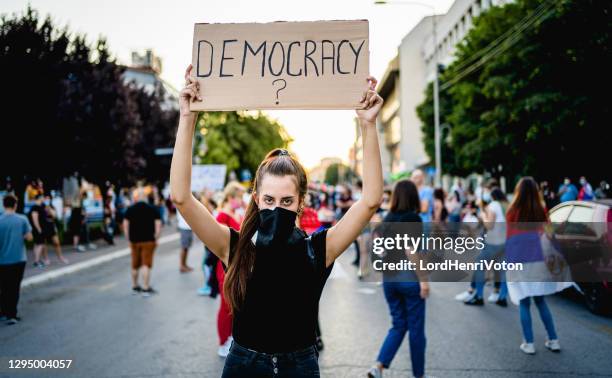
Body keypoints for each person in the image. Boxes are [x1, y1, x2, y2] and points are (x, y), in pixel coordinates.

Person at [170, 64, 383, 377]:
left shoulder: (319, 249)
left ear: (300, 203)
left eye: (286, 201)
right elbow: (182, 198)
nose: (277, 208)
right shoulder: (235, 247)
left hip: (300, 366)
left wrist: (368, 126)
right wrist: (188, 117)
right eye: (269, 200)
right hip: (243, 365)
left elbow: (371, 201)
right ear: (256, 199)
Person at [368, 179, 428, 378]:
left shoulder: (387, 218)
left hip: (389, 279)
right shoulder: (413, 218)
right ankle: (419, 375)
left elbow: (377, 246)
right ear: (413, 196)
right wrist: (424, 280)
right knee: (416, 329)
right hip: (408, 277)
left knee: (398, 324)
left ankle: (379, 366)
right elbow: (411, 250)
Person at [506, 177, 562, 354]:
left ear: (518, 191)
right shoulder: (541, 210)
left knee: (524, 302)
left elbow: (508, 238)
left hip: (518, 259)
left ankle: (529, 343)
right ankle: (554, 340)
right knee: (540, 300)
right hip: (538, 259)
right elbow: (550, 233)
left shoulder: (512, 211)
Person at [214, 182, 245, 358]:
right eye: (239, 197)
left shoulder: (234, 213)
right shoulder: (222, 216)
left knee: (234, 304)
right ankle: (223, 342)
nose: (241, 201)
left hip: (236, 263)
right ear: (231, 197)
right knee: (226, 306)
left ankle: (231, 338)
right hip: (226, 264)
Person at [0, 194, 33, 325]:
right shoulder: (22, 219)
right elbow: (29, 237)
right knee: (14, 287)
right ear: (15, 205)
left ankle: (2, 312)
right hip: (18, 259)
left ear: (4, 205)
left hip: (2, 260)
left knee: (3, 287)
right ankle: (12, 315)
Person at [123, 190, 162, 297]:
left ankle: (135, 287)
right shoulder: (152, 209)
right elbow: (158, 225)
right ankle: (145, 288)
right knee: (146, 264)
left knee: (134, 265)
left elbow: (125, 224)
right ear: (145, 197)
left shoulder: (130, 209)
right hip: (148, 240)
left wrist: (128, 237)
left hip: (134, 241)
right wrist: (156, 237)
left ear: (136, 198)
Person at [176, 208, 194, 273]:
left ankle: (184, 265)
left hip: (188, 226)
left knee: (186, 247)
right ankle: (182, 266)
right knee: (184, 247)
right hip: (184, 227)